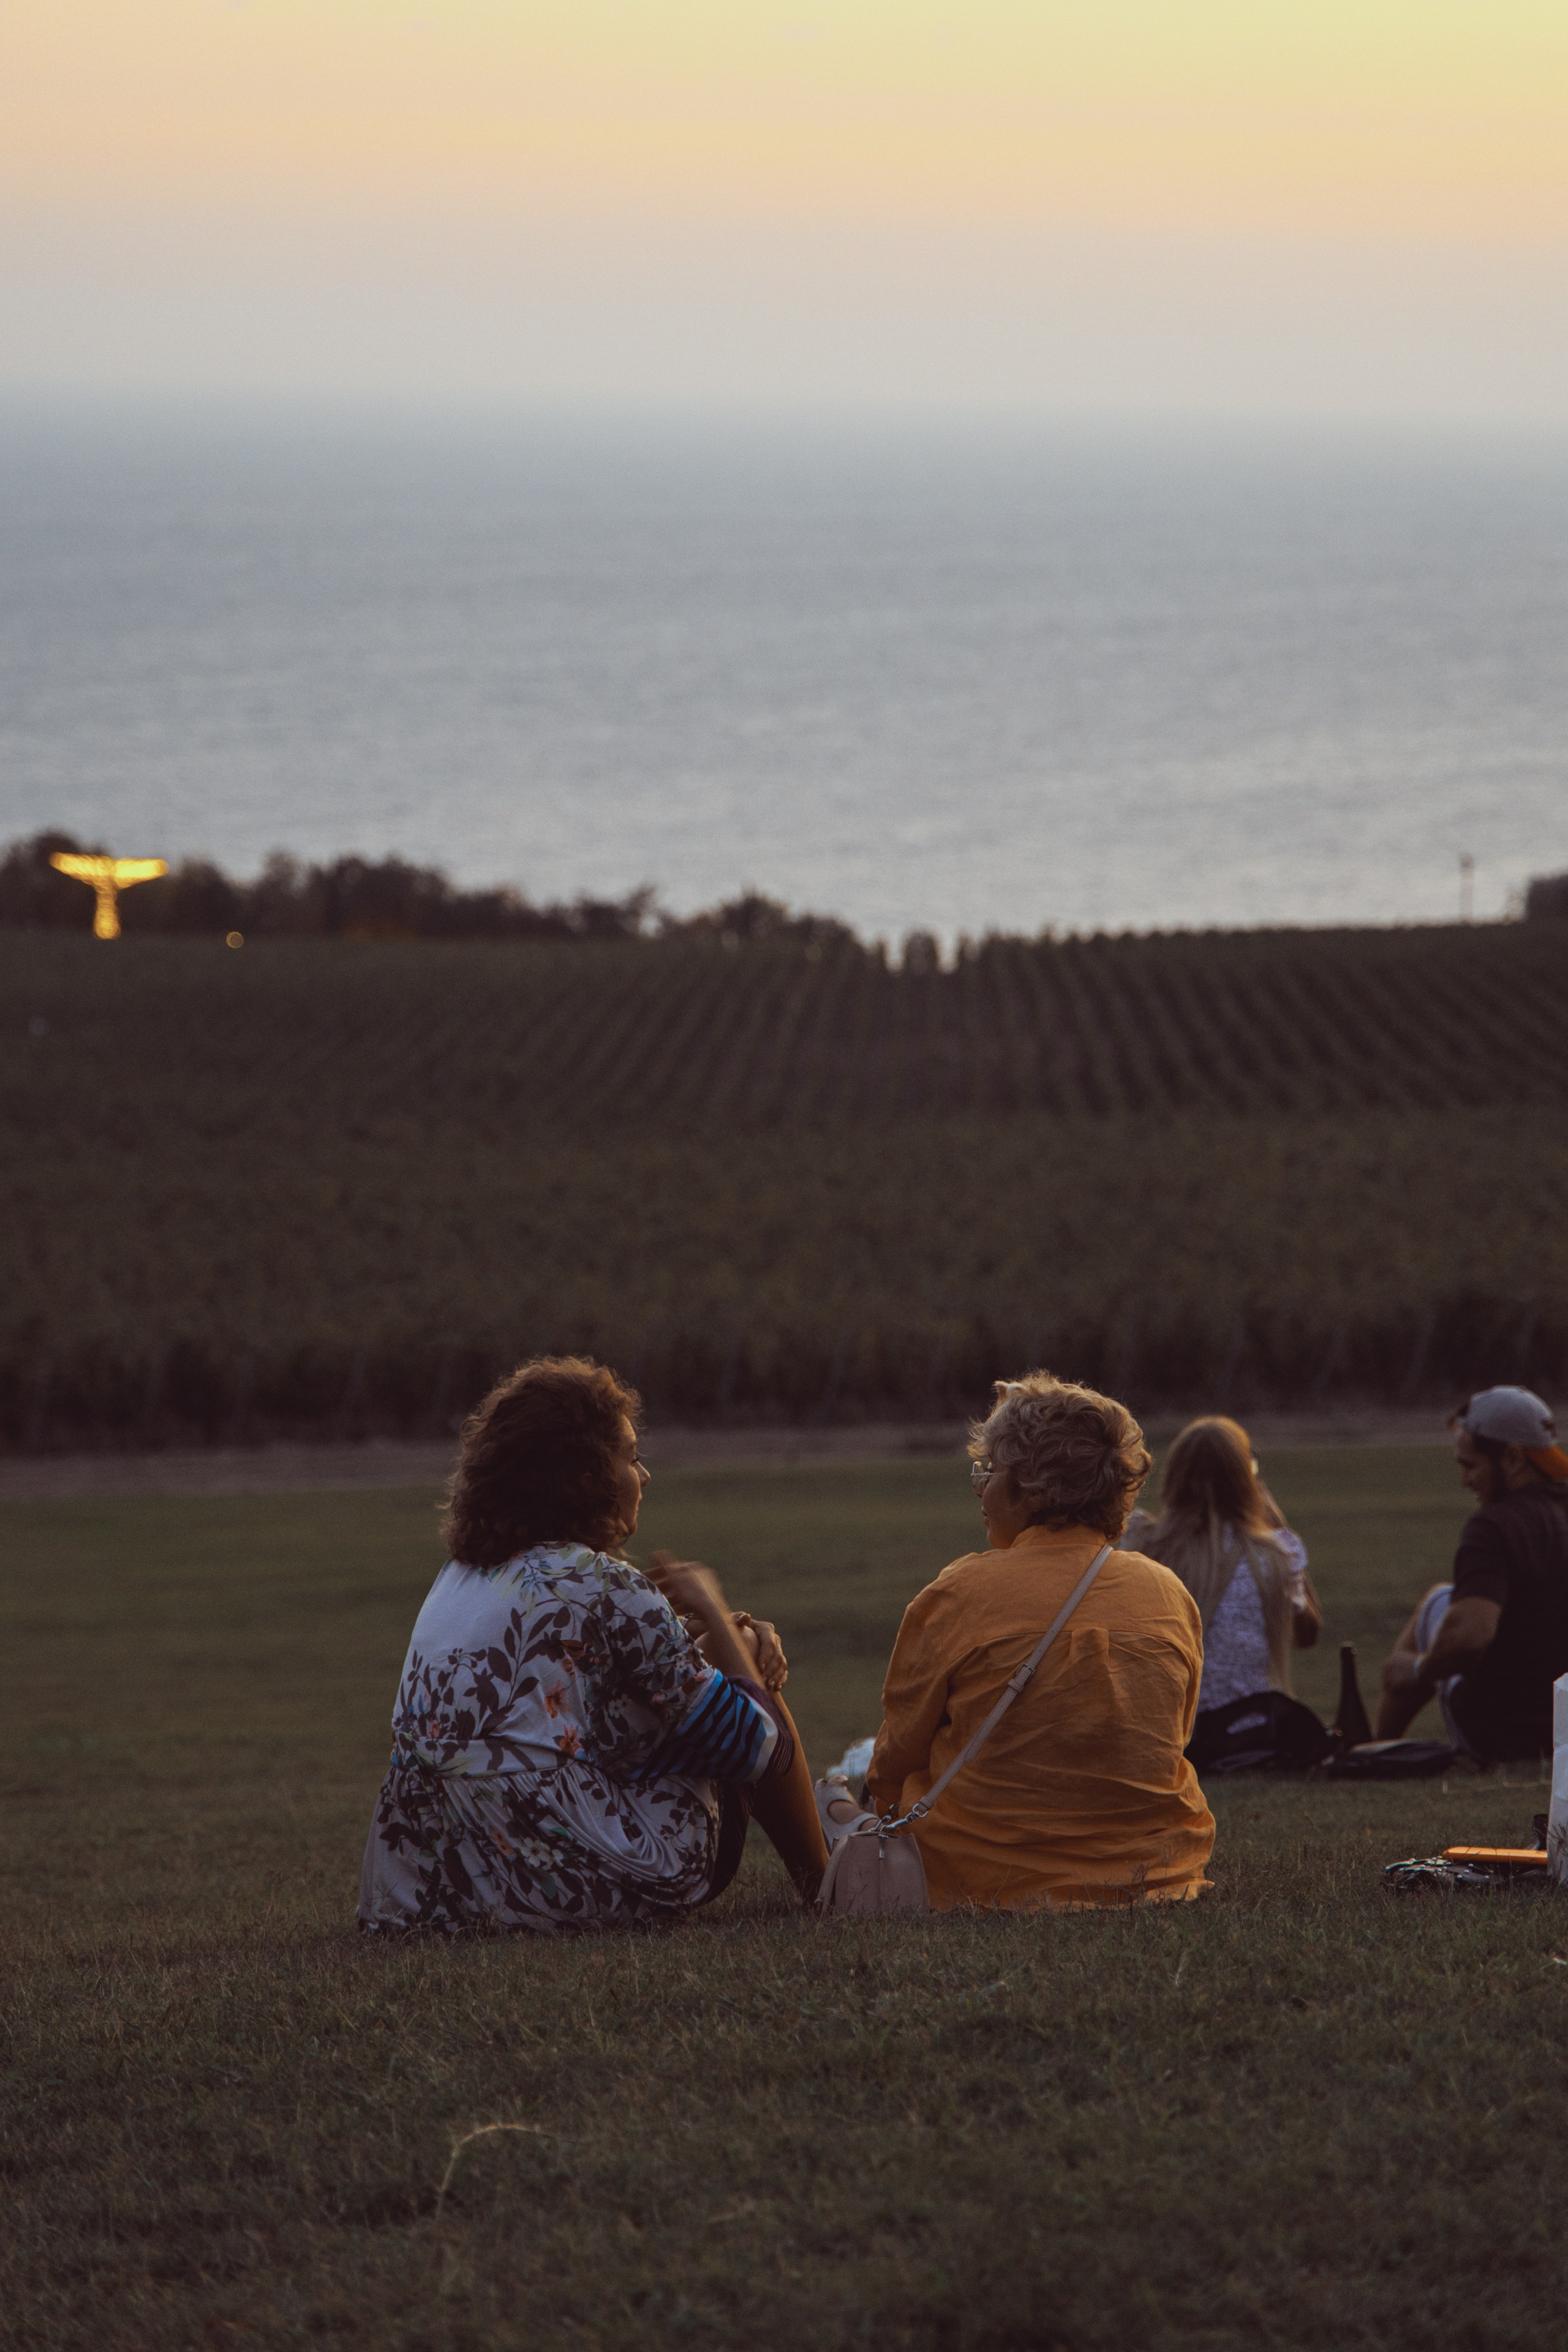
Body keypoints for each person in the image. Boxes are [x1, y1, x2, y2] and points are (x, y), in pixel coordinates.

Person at [358, 1356, 828, 1932]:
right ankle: (825, 1887)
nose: (645, 1476)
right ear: (586, 1478)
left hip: (426, 1896)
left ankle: (824, 1881)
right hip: (552, 1886)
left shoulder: (459, 1575)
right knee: (742, 1689)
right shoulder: (605, 1583)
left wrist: (721, 1636)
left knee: (717, 1671)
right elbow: (755, 1747)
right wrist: (714, 1609)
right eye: (631, 1457)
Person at [864, 1372, 1215, 1909]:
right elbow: (1171, 1737)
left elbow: (893, 1767)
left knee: (835, 1802)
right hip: (1158, 1874)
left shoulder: (959, 1593)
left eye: (990, 1471)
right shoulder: (1168, 1593)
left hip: (981, 1877)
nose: (981, 1489)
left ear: (1028, 1485)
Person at [1377, 1385, 1568, 1761]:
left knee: (1439, 1601)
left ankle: (1373, 1748)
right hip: (1565, 1736)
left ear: (1512, 1459)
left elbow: (1471, 1635)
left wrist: (1416, 1671)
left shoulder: (1494, 1526)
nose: (1465, 1480)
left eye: (1470, 1465)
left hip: (1504, 1737)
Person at [1120, 1415, 1322, 1724]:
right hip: (1250, 1730)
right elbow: (1308, 1635)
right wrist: (1274, 1518)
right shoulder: (1276, 1554)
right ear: (1245, 1480)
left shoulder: (1142, 1546)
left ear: (1173, 1476)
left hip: (1174, 1729)